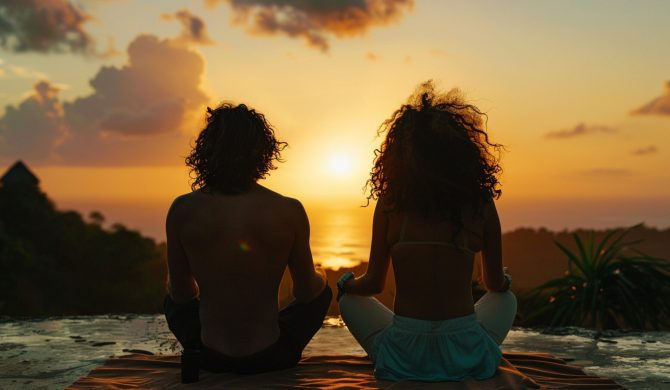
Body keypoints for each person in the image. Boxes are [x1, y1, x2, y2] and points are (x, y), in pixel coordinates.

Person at [337, 82, 516, 382]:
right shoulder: (479, 204)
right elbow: (494, 283)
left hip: (405, 355)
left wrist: (346, 284)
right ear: (461, 153)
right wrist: (505, 280)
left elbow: (372, 284)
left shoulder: (389, 205)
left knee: (347, 301)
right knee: (507, 299)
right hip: (465, 352)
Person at [164, 103, 331, 376]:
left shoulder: (182, 209)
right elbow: (306, 293)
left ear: (207, 150)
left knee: (171, 299)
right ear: (261, 153)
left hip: (207, 355)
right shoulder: (289, 210)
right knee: (322, 291)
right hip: (273, 355)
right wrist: (322, 276)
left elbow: (182, 295)